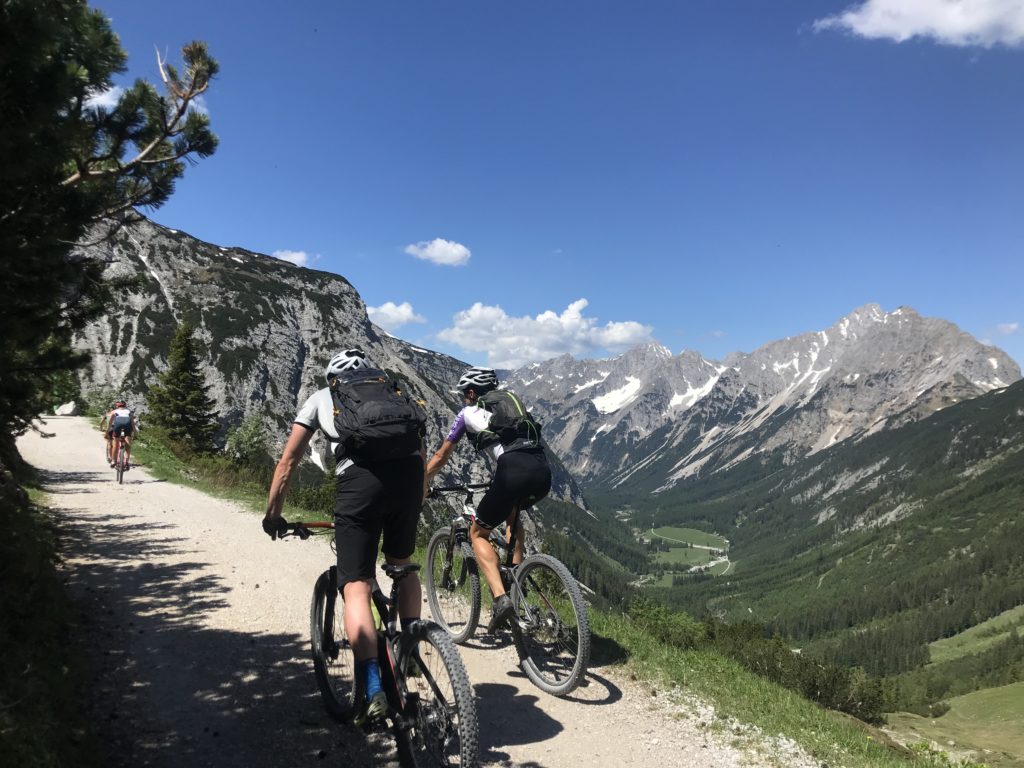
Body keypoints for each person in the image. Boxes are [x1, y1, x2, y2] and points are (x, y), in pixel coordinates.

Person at [262, 349, 426, 723]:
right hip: (410, 478)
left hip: (360, 484)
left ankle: (371, 689)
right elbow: (419, 448)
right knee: (402, 565)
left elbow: (288, 461)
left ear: (333, 377)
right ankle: (413, 650)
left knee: (355, 586)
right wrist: (414, 497)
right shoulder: (396, 392)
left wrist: (274, 515)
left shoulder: (324, 397)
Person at [425, 366, 551, 633]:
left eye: (464, 395)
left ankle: (501, 599)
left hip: (511, 471)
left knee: (478, 533)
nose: (463, 400)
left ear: (472, 392)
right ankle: (517, 579)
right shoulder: (514, 403)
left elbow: (441, 457)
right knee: (512, 516)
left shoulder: (467, 413)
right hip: (542, 471)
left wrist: (422, 483)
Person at [100, 399, 139, 468]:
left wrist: (106, 433)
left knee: (115, 444)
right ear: (125, 406)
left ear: (117, 406)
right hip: (127, 427)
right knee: (128, 444)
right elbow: (132, 424)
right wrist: (136, 433)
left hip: (117, 427)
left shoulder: (114, 411)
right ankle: (126, 462)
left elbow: (109, 424)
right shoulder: (129, 412)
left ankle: (114, 461)